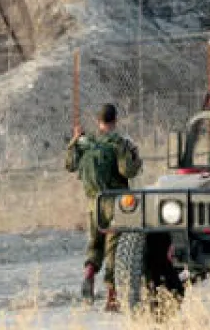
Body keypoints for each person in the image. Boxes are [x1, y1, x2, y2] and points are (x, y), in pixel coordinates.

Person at [64, 103, 142, 311]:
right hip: (116, 203)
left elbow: (69, 165)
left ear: (98, 122)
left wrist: (75, 139)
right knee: (113, 250)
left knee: (95, 243)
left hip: (93, 204)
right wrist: (134, 157)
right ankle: (112, 297)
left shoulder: (85, 143)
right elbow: (128, 172)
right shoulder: (119, 143)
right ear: (115, 121)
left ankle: (89, 273)